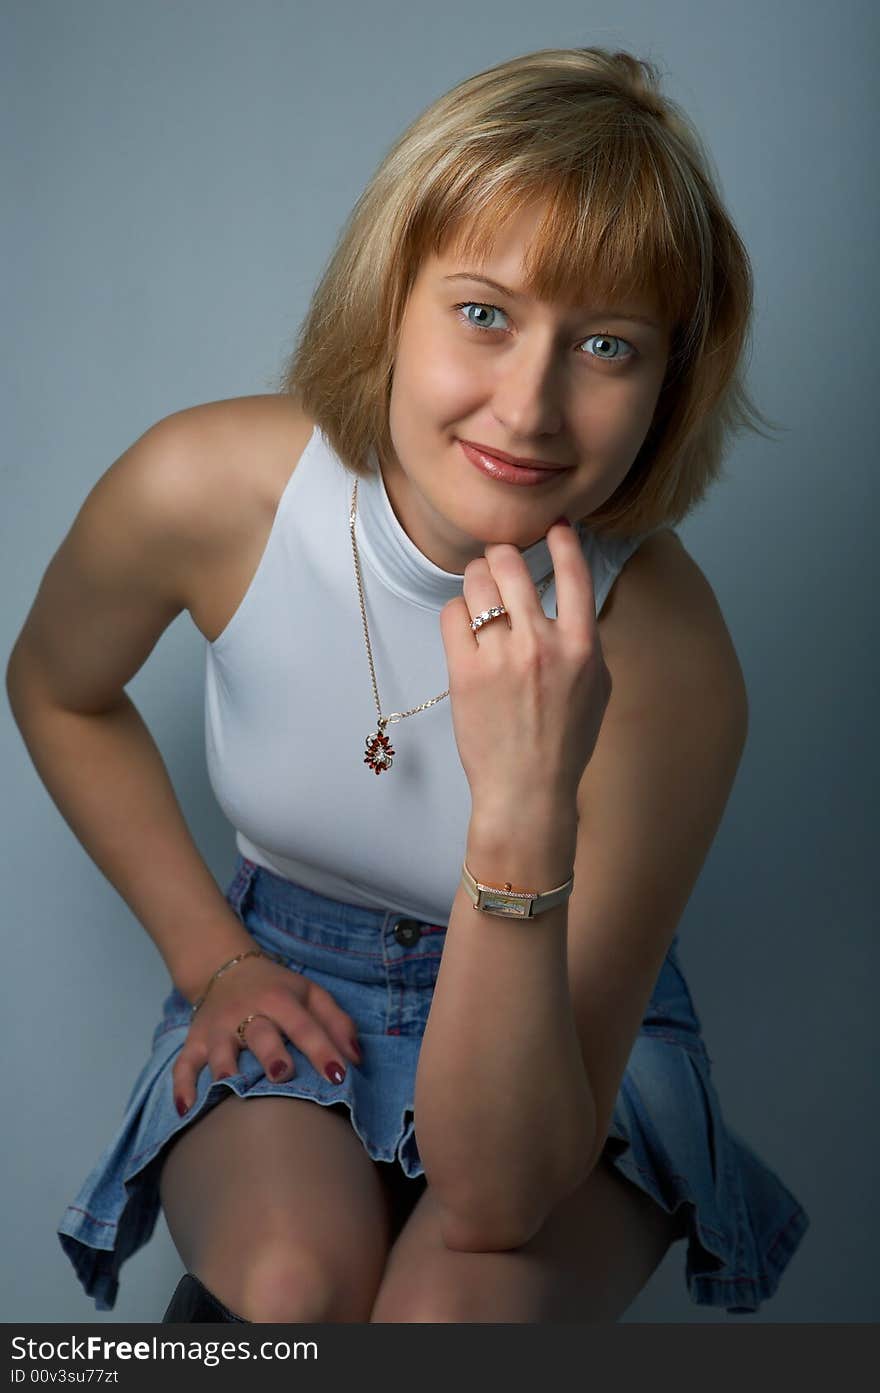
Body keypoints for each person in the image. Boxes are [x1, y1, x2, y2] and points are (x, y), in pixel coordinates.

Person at [7, 45, 809, 1324]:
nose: (531, 407)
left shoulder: (667, 655)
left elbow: (498, 1196)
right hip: (289, 957)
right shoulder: (208, 487)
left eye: (606, 345)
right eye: (484, 313)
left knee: (448, 1320)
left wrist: (523, 798)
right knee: (287, 1289)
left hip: (568, 1023)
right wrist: (211, 956)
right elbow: (57, 689)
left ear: (668, 386)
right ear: (390, 299)